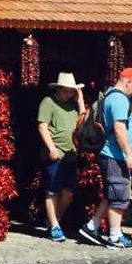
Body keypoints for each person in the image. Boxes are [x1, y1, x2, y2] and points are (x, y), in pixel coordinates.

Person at [79, 66, 132, 249]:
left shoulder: (111, 96)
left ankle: (91, 226)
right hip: (115, 155)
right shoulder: (119, 99)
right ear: (128, 81)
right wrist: (129, 154)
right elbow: (119, 128)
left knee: (111, 194)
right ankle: (115, 236)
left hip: (112, 154)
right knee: (119, 195)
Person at [37, 72, 85, 241]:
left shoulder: (72, 105)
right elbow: (42, 126)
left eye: (72, 91)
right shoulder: (48, 102)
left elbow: (83, 122)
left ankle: (54, 220)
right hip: (56, 153)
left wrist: (80, 101)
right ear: (59, 89)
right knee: (52, 191)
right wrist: (51, 148)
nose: (69, 94)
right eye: (67, 91)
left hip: (71, 153)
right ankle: (55, 226)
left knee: (69, 192)